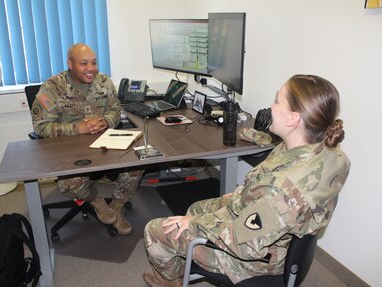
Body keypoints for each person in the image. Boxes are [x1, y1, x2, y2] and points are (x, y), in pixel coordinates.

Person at [143, 74, 351, 286]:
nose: (271, 106)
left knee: (156, 229)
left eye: (278, 101)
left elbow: (241, 242)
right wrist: (240, 196)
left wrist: (195, 225)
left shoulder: (282, 194)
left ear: (293, 119)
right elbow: (270, 192)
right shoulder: (325, 152)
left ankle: (167, 281)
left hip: (252, 259)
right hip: (271, 229)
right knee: (195, 208)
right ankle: (182, 256)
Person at [30, 43, 144, 235]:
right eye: (84, 63)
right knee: (70, 183)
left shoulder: (104, 82)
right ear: (70, 64)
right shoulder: (52, 87)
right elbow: (41, 126)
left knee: (139, 160)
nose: (91, 68)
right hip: (70, 150)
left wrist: (107, 121)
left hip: (104, 145)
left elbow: (116, 110)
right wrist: (77, 128)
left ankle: (116, 205)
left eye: (94, 62)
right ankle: (97, 201)